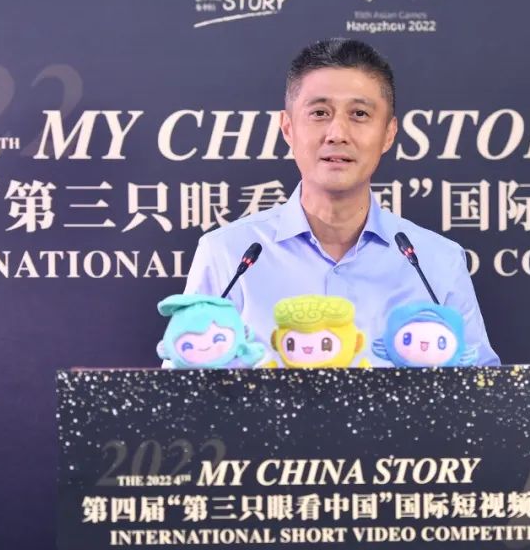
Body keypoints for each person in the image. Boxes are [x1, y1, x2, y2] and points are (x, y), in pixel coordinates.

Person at [174, 38, 500, 367]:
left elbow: (481, 387)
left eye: (359, 114)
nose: (337, 133)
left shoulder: (436, 262)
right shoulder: (227, 254)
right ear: (287, 128)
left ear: (388, 133)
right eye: (319, 113)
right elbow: (183, 385)